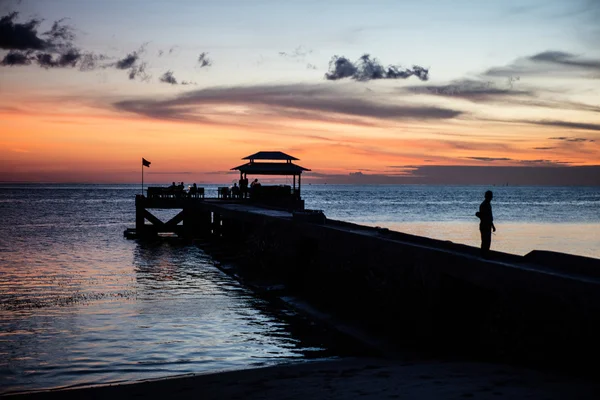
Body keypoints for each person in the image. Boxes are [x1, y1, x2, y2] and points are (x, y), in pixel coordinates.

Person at [476, 190, 496, 258]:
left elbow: (489, 217)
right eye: (490, 196)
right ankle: (483, 255)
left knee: (487, 241)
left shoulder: (488, 204)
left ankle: (485, 254)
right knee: (485, 241)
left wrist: (493, 226)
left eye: (491, 196)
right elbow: (483, 216)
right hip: (484, 226)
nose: (491, 198)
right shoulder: (483, 205)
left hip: (488, 226)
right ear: (487, 196)